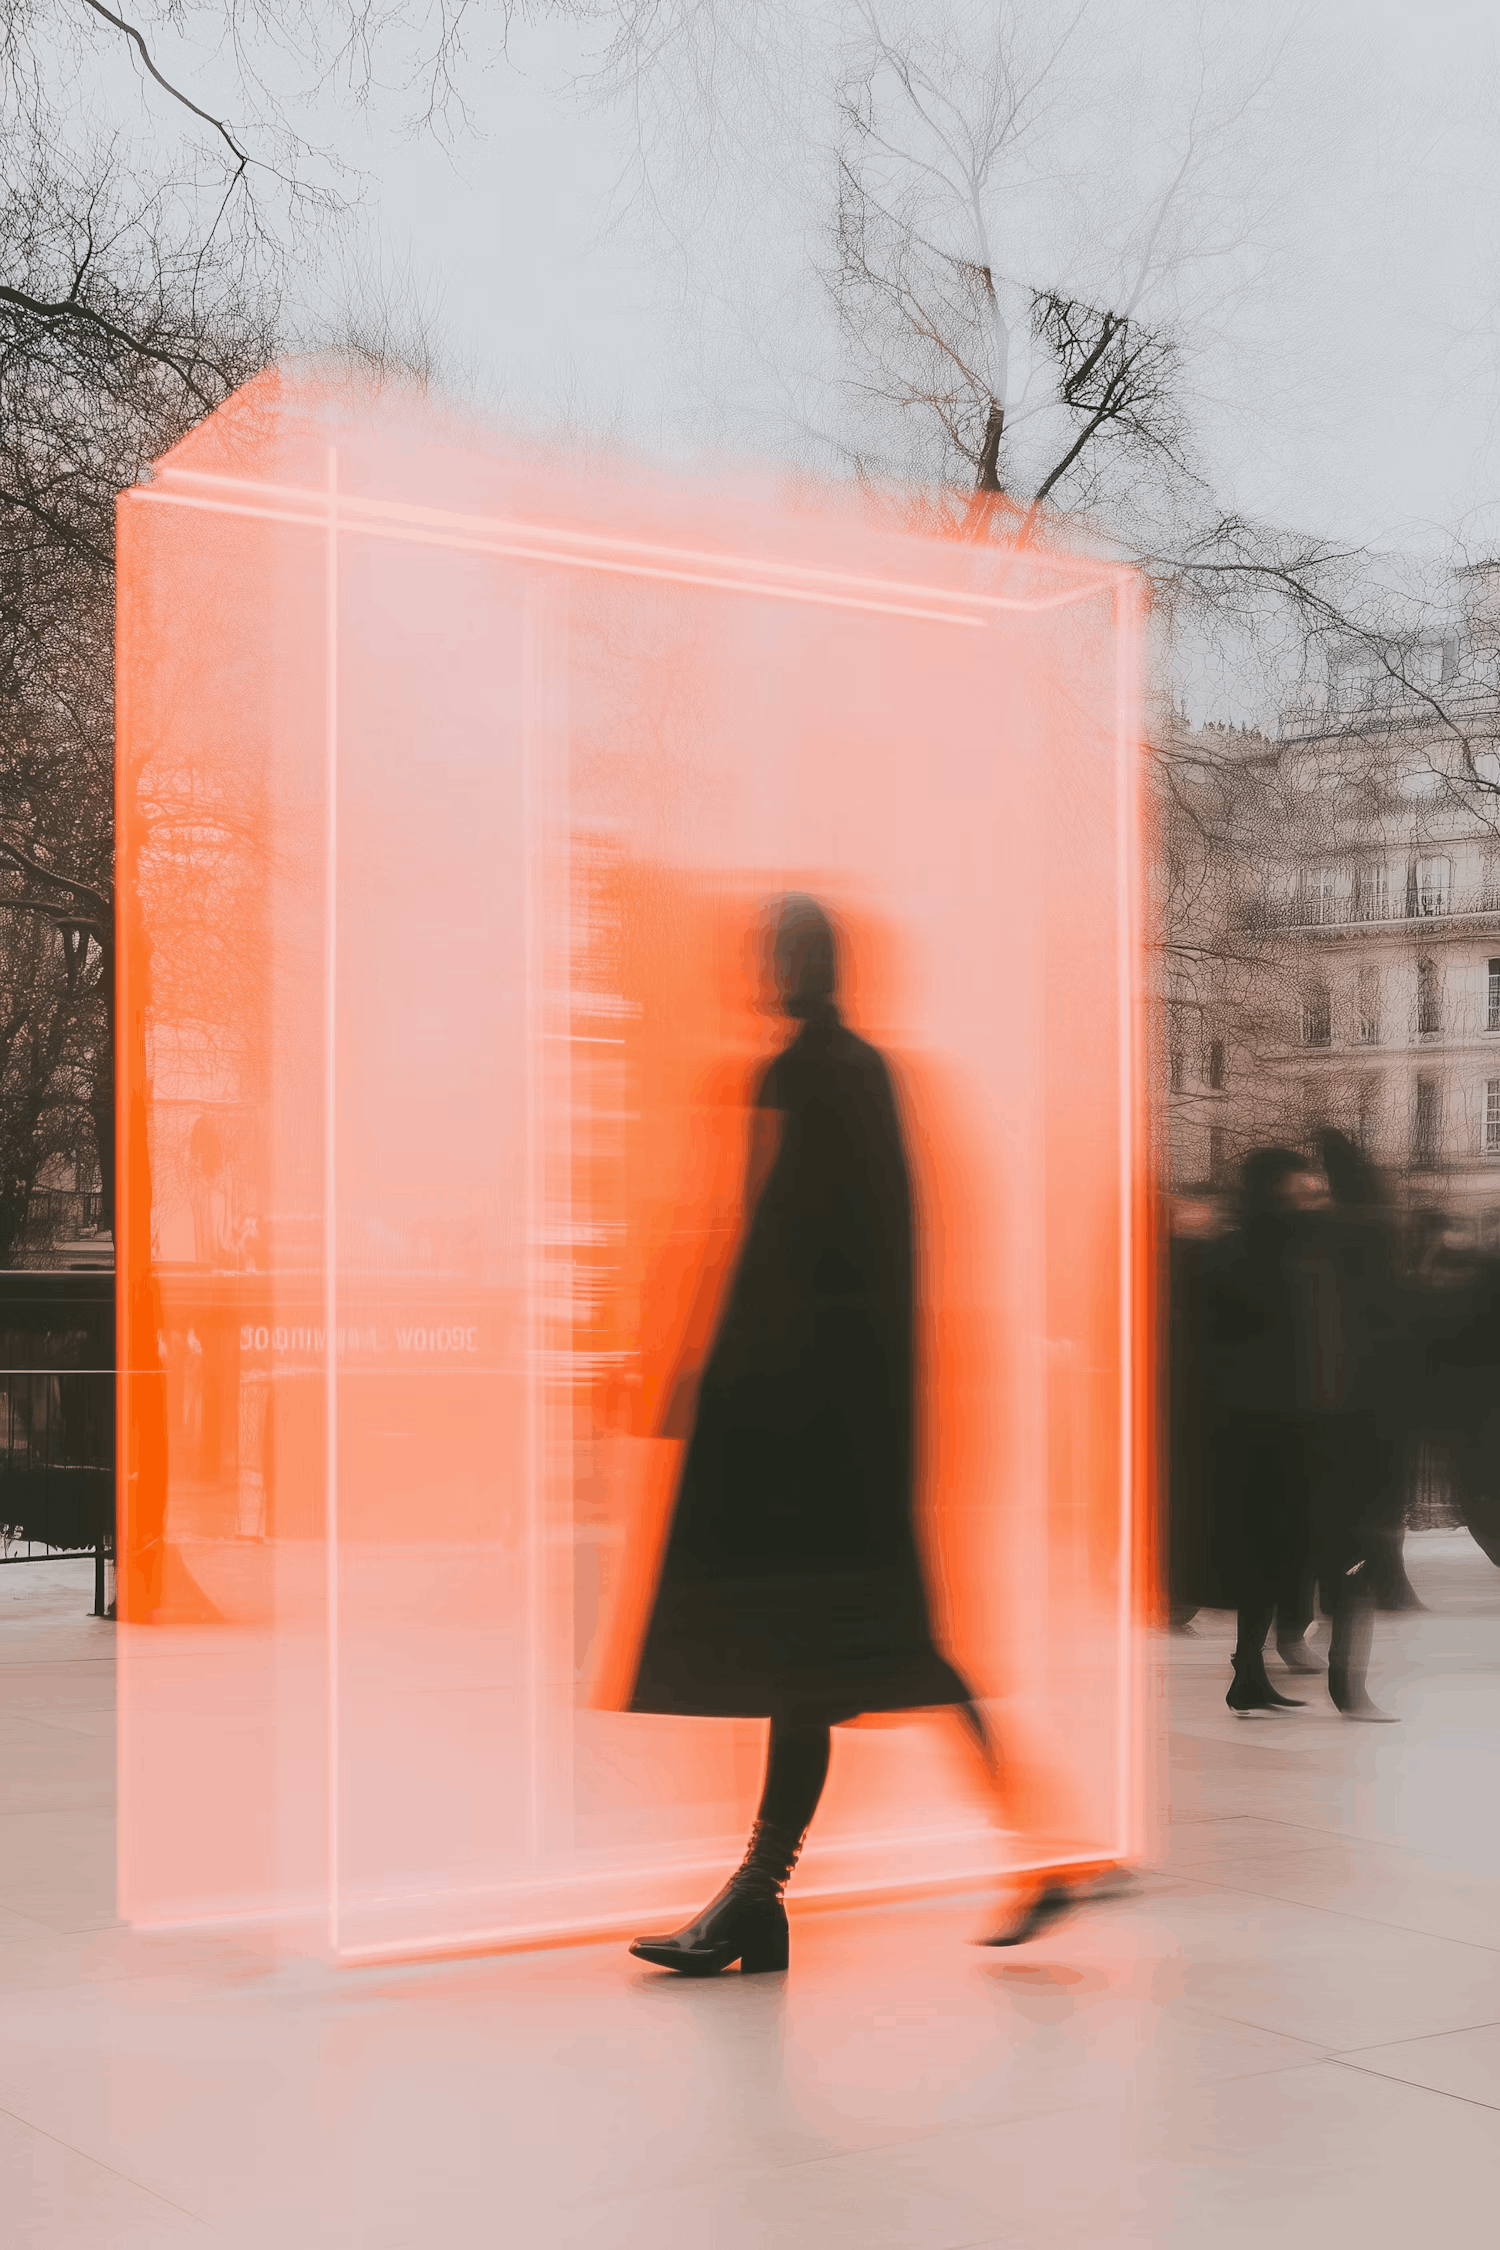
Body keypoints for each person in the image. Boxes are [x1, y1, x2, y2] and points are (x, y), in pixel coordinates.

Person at [626, 895, 1071, 1974]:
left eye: (771, 950)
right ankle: (760, 1898)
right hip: (856, 1430)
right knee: (836, 1659)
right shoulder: (865, 1076)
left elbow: (763, 1245)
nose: (759, 967)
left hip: (805, 1435)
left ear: (795, 963)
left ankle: (775, 1896)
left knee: (827, 1657)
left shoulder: (801, 1077)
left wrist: (704, 1374)